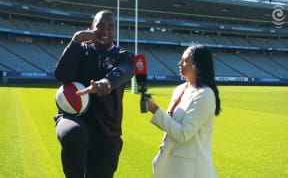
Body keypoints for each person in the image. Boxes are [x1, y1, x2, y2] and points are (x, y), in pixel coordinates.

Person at [53, 10, 134, 178]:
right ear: (90, 28)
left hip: (107, 132)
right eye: (101, 26)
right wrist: (76, 39)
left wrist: (106, 82)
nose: (106, 31)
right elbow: (61, 75)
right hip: (74, 118)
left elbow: (125, 71)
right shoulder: (80, 50)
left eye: (111, 27)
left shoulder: (124, 57)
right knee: (73, 132)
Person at [146, 45, 221, 178]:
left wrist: (155, 110)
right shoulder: (180, 89)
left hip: (191, 171)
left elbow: (183, 133)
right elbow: (171, 124)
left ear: (198, 65)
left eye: (185, 60)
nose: (179, 63)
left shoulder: (205, 94)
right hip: (172, 165)